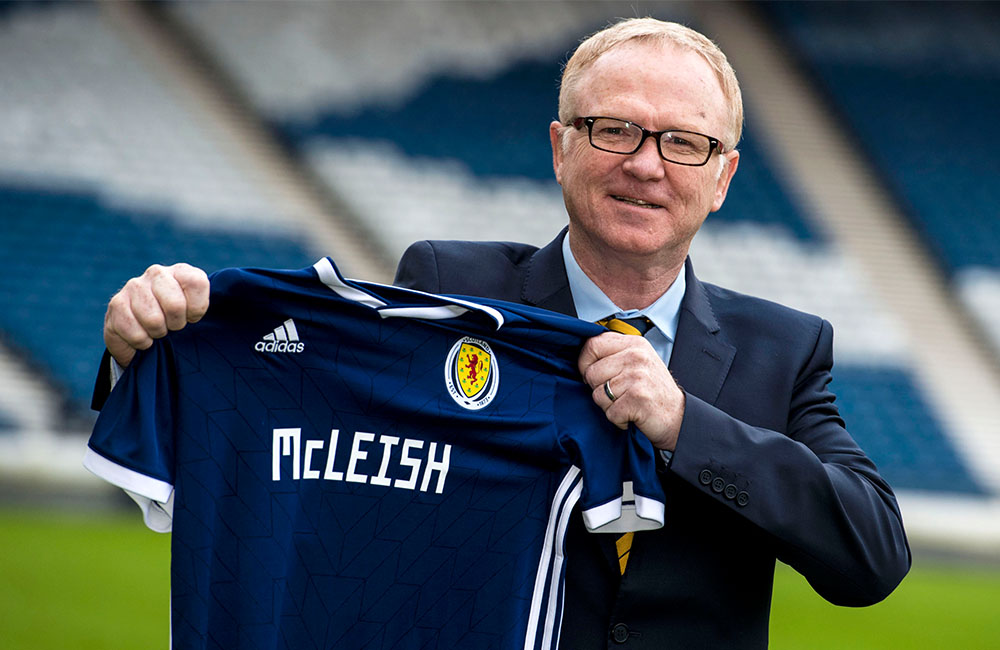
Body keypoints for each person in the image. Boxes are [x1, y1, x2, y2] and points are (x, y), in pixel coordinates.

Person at [93, 17, 910, 650]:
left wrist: (682, 423)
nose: (646, 164)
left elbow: (871, 556)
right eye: (613, 129)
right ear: (561, 148)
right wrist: (160, 345)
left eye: (684, 142)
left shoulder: (784, 349)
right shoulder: (448, 287)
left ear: (723, 175)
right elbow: (304, 419)